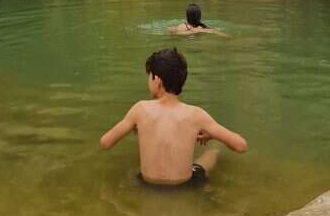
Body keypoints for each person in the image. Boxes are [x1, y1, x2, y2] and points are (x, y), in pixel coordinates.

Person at [100, 47, 247, 186]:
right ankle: (215, 150)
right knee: (209, 155)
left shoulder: (140, 109)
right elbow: (241, 146)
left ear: (157, 80)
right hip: (185, 185)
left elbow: (105, 142)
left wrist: (134, 125)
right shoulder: (196, 114)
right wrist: (213, 136)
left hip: (147, 183)